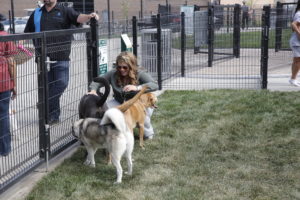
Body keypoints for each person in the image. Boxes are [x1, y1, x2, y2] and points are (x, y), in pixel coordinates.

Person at [24, 0, 99, 124]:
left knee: (61, 83)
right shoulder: (36, 13)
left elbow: (78, 17)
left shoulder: (65, 10)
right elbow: (27, 32)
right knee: (47, 87)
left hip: (61, 57)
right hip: (42, 59)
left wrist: (90, 16)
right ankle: (52, 117)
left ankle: (44, 103)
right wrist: (20, 46)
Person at [88, 51, 159, 139]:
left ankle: (148, 133)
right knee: (106, 112)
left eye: (125, 67)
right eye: (119, 67)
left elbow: (154, 85)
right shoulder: (113, 74)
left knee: (143, 120)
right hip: (120, 102)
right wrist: (93, 90)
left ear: (131, 66)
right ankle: (110, 134)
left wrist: (137, 88)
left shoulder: (139, 73)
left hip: (138, 104)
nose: (122, 69)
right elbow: (98, 81)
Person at [0, 22, 17, 156]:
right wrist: (14, 84)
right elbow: (11, 62)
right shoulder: (5, 37)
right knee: (3, 115)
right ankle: (4, 149)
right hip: (3, 82)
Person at [289, 0, 300, 87]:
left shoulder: (297, 13)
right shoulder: (299, 14)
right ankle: (293, 79)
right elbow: (293, 24)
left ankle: (293, 78)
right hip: (297, 42)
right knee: (298, 61)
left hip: (296, 41)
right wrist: (299, 33)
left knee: (296, 61)